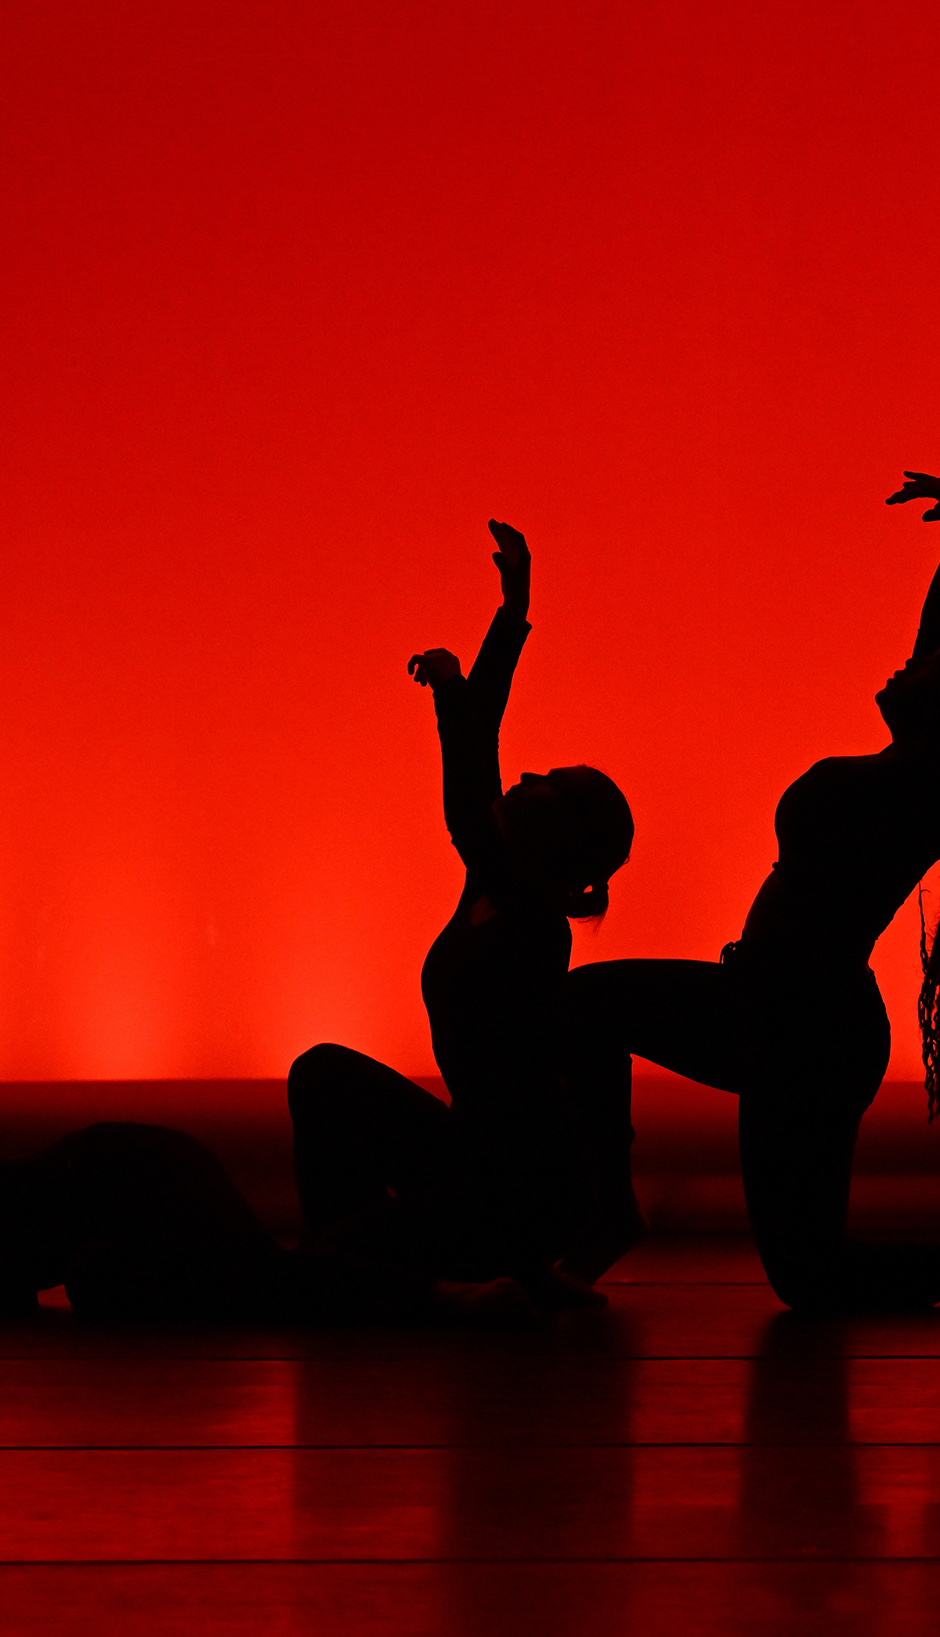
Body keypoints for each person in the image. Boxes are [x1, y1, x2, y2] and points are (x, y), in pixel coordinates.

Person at [562, 475, 940, 1312]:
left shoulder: (930, 786)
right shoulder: (916, 774)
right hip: (782, 1010)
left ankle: (607, 1211)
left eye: (928, 672)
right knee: (809, 1276)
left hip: (802, 1024)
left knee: (808, 1278)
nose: (907, 664)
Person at [289, 519, 636, 1313]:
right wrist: (511, 613)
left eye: (552, 782)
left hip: (521, 1192)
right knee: (322, 1075)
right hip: (473, 1153)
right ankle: (348, 1266)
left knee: (329, 1266)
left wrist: (449, 690)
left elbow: (467, 799)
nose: (527, 773)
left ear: (562, 840)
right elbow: (487, 742)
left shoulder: (530, 918)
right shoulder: (495, 885)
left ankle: (407, 1285)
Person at [0, 1121, 512, 1322]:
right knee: (264, 1280)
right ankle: (455, 1284)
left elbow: (2, 1294)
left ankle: (460, 1294)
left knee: (267, 1283)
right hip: (124, 1183)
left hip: (130, 1179)